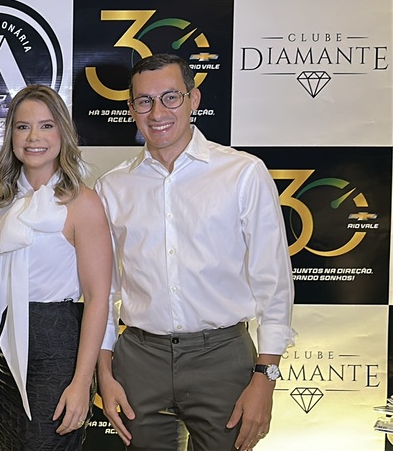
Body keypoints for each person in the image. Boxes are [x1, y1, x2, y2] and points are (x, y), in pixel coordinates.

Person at [95, 53, 295, 451]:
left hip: (223, 359)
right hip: (139, 360)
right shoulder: (111, 187)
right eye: (144, 101)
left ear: (194, 99)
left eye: (170, 97)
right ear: (131, 108)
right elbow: (104, 291)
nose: (157, 113)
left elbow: (273, 282)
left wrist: (266, 377)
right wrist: (104, 372)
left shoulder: (243, 173)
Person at [0, 85, 113, 449]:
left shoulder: (82, 202)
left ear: (62, 132)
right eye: (22, 127)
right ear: (11, 135)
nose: (33, 137)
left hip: (55, 351)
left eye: (46, 126)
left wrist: (82, 383)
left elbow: (98, 298)